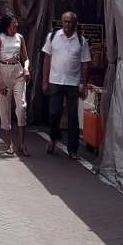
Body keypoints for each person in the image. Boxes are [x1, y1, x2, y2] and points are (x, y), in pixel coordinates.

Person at [42, 11, 92, 159]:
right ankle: (54, 136)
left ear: (75, 24)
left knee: (72, 116)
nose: (67, 25)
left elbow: (84, 65)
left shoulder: (81, 41)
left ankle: (73, 150)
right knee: (54, 113)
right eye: (64, 21)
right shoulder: (53, 37)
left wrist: (84, 84)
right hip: (55, 80)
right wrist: (44, 80)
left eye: (70, 22)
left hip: (72, 82)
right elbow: (46, 59)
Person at [0, 14, 29, 157]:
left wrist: (26, 68)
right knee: (4, 109)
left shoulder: (20, 38)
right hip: (3, 72)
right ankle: (9, 143)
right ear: (7, 24)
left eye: (17, 22)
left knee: (21, 106)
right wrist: (0, 80)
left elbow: (26, 58)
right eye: (14, 22)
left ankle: (22, 144)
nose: (17, 24)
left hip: (18, 72)